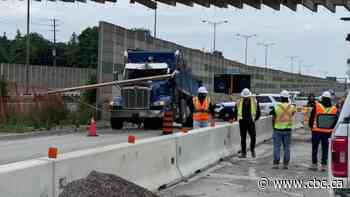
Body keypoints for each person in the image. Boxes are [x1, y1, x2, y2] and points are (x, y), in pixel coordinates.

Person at [308, 91, 338, 171]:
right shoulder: (334, 108)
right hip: (327, 132)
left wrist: (311, 127)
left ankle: (314, 164)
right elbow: (335, 121)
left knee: (315, 148)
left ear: (322, 97)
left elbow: (311, 118)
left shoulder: (317, 106)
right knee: (325, 149)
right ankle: (324, 165)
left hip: (316, 131)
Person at [270, 90, 296, 169]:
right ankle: (285, 164)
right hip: (288, 129)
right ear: (288, 98)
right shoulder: (292, 107)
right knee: (287, 147)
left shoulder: (276, 107)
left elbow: (273, 118)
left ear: (281, 98)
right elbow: (292, 114)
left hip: (277, 129)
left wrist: (273, 127)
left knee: (277, 147)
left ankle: (276, 164)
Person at [233, 88, 261, 158]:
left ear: (249, 96)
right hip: (242, 122)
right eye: (244, 97)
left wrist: (254, 119)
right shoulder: (239, 101)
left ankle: (252, 149)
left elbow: (258, 112)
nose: (245, 98)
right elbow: (235, 111)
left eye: (247, 97)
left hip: (251, 122)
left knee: (253, 137)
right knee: (243, 138)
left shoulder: (254, 101)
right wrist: (237, 118)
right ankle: (244, 153)